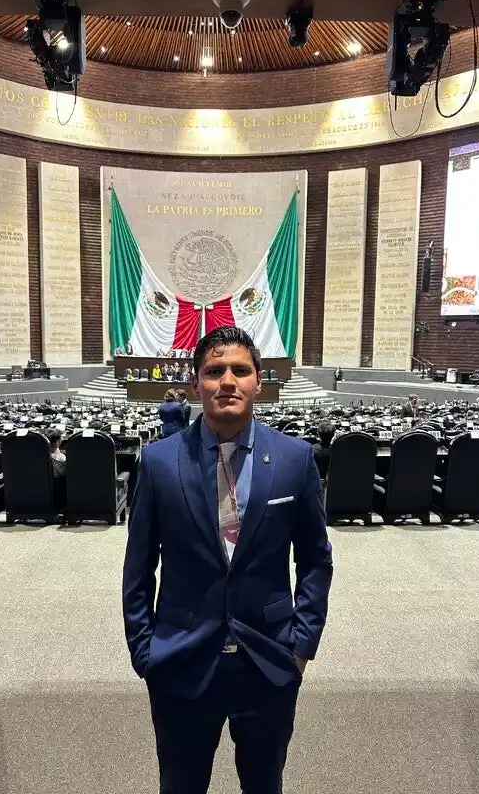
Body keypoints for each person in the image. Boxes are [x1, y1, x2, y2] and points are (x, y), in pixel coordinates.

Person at [123, 326, 333, 794]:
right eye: (214, 371)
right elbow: (138, 566)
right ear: (196, 383)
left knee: (264, 785)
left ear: (259, 381)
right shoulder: (158, 461)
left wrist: (302, 646)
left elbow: (316, 560)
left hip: (270, 659)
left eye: (240, 370)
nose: (228, 381)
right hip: (180, 658)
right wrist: (144, 652)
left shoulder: (295, 458)